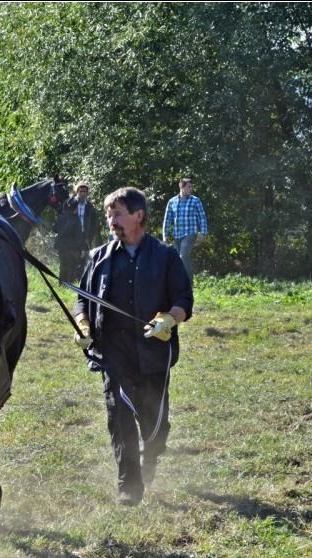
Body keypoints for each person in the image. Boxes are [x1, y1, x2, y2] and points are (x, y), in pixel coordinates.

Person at [72, 187, 193, 506]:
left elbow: (184, 300)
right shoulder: (98, 256)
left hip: (153, 354)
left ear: (138, 216)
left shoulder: (166, 256)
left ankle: (150, 455)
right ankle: (129, 484)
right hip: (112, 353)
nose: (111, 220)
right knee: (119, 416)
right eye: (109, 215)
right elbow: (82, 298)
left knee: (156, 424)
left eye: (118, 214)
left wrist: (169, 319)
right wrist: (83, 324)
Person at [54, 182, 101, 283]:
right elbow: (62, 218)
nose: (82, 193)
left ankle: (78, 282)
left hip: (84, 235)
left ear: (87, 193)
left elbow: (93, 224)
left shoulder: (90, 207)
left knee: (82, 259)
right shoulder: (69, 203)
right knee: (68, 261)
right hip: (70, 236)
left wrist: (89, 237)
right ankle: (65, 282)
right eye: (80, 191)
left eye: (84, 191)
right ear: (77, 192)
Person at [162, 177, 207, 278]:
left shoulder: (195, 201)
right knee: (178, 259)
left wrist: (203, 232)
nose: (191, 189)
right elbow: (167, 219)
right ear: (181, 187)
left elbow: (202, 217)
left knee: (183, 255)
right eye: (189, 187)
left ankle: (189, 282)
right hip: (177, 234)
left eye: (192, 187)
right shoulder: (172, 202)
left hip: (190, 233)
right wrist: (165, 235)